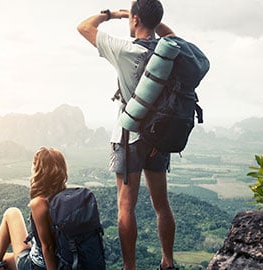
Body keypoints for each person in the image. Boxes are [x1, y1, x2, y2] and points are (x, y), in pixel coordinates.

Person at [76, 1, 178, 270]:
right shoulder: (169, 51)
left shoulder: (125, 50)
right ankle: (167, 261)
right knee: (162, 204)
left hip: (128, 135)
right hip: (159, 135)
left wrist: (115, 15)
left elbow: (84, 26)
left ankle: (129, 267)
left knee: (126, 206)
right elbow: (170, 35)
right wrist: (151, 22)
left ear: (135, 19)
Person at [0, 147, 67, 270]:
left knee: (11, 213)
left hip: (38, 266)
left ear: (39, 170)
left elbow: (48, 247)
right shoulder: (65, 197)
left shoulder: (39, 203)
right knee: (5, 259)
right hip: (64, 262)